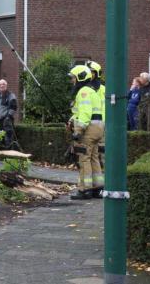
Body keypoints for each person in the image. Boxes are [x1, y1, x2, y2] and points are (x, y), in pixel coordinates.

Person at [67, 65, 104, 200]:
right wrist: (72, 120)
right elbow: (83, 112)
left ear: (80, 78)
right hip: (98, 129)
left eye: (73, 78)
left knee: (84, 158)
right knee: (94, 157)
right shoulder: (92, 91)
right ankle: (98, 187)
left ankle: (85, 189)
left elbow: (86, 114)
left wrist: (78, 131)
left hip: (88, 130)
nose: (72, 81)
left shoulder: (83, 92)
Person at [85, 60, 106, 166]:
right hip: (89, 125)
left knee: (102, 150)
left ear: (97, 74)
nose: (90, 74)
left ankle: (106, 172)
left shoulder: (104, 90)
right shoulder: (85, 89)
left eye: (92, 72)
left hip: (103, 125)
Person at [0, 79, 17, 150]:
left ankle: (8, 155)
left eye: (3, 84)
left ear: (6, 85)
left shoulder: (11, 95)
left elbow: (14, 107)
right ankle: (1, 154)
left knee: (8, 137)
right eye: (0, 84)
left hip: (7, 120)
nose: (1, 86)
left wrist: (8, 117)